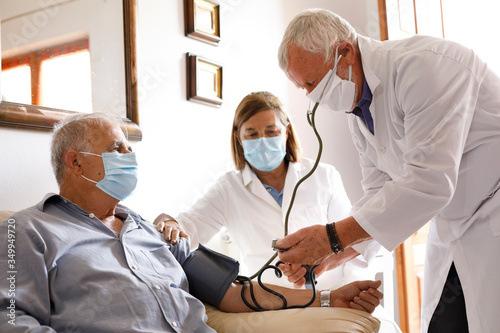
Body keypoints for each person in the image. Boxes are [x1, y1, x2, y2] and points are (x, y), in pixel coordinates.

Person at [0, 113, 383, 332]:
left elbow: (236, 294)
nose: (129, 156)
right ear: (75, 162)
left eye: (130, 148)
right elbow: (12, 318)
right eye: (117, 148)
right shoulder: (25, 231)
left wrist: (331, 297)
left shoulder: (151, 231)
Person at [275, 8, 500, 333]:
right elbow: (378, 197)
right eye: (303, 89)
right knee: (444, 325)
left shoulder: (425, 67)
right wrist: (331, 256)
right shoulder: (360, 110)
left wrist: (329, 239)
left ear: (345, 52)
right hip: (452, 228)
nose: (312, 97)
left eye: (313, 83)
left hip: (492, 217)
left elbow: (429, 183)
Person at [155, 91, 380, 291]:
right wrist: (169, 222)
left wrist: (354, 289)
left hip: (332, 294)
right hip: (270, 302)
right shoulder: (227, 189)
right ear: (238, 138)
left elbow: (351, 240)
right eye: (252, 134)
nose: (262, 141)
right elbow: (188, 228)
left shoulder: (323, 176)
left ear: (287, 132)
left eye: (271, 132)